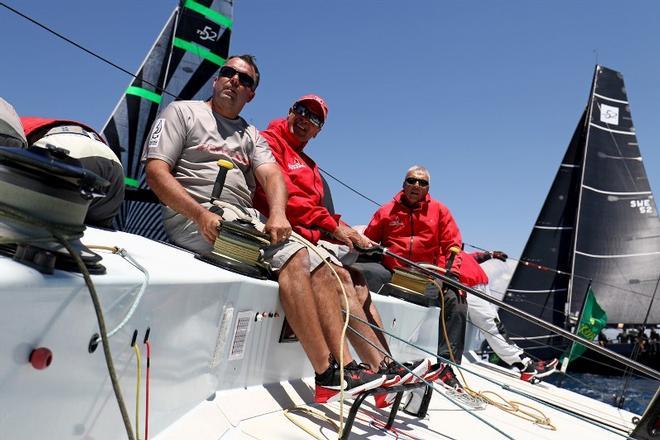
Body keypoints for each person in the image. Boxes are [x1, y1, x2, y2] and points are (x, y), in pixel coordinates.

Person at [142, 55, 396, 404]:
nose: (234, 81)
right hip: (197, 217)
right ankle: (327, 370)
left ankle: (344, 371)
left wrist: (277, 213)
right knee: (312, 263)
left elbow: (272, 176)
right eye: (228, 73)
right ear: (216, 79)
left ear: (252, 94)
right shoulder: (183, 112)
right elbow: (156, 173)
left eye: (244, 80)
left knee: (318, 266)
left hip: (242, 221)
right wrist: (200, 214)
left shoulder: (249, 134)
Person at [253, 95, 435, 407]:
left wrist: (350, 233)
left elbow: (318, 211)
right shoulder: (269, 143)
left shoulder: (311, 167)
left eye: (314, 118)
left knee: (357, 279)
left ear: (318, 131)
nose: (305, 119)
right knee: (333, 273)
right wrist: (336, 228)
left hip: (311, 235)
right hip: (285, 230)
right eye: (301, 111)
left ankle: (382, 367)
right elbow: (291, 203)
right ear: (289, 111)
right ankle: (346, 370)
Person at [359, 165, 468, 389]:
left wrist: (445, 276)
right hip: (395, 273)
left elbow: (453, 246)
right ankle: (365, 351)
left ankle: (446, 367)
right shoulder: (386, 211)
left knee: (456, 301)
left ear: (428, 188)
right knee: (361, 273)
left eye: (422, 182)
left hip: (429, 277)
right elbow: (369, 240)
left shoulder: (440, 211)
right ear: (403, 184)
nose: (416, 185)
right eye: (411, 180)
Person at [462, 250, 558, 382]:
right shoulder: (434, 245)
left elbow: (463, 258)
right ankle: (527, 366)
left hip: (480, 286)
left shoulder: (446, 245)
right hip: (467, 286)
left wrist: (488, 255)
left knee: (496, 326)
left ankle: (522, 362)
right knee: (493, 326)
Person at [20, 117, 125, 228]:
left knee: (30, 226)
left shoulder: (12, 122)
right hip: (112, 161)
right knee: (97, 232)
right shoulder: (27, 119)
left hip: (66, 149)